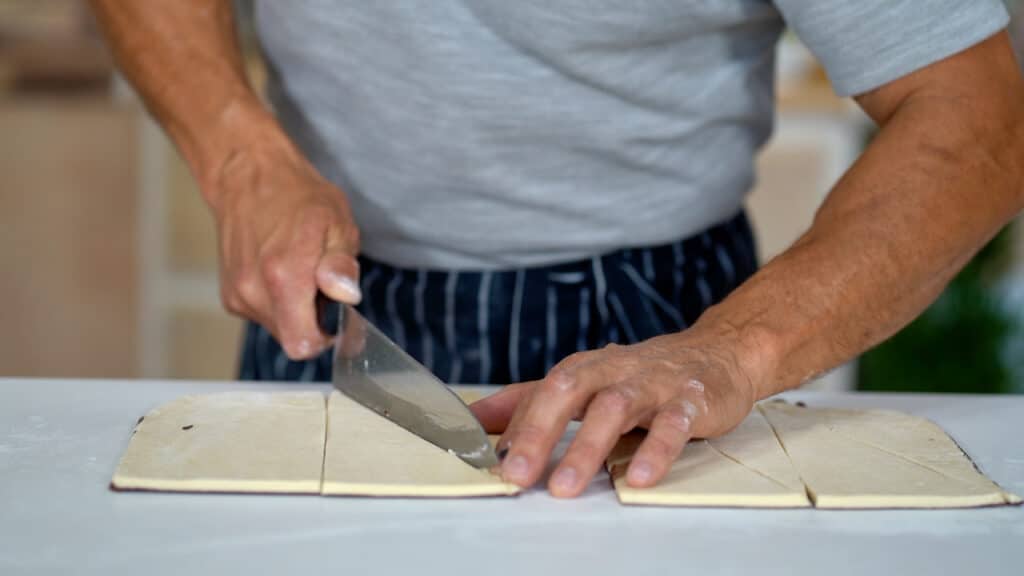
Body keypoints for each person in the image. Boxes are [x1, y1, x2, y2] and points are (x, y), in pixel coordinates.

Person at [90, 1, 1024, 498]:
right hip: (326, 311)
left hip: (649, 333)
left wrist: (735, 350)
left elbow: (977, 123)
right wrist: (238, 151)